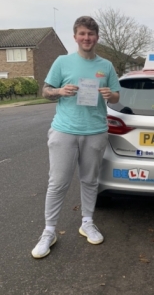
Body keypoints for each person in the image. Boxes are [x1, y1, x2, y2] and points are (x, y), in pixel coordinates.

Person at [31, 16, 120, 259]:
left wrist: (109, 94)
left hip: (95, 132)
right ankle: (49, 231)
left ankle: (87, 222)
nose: (87, 38)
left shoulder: (107, 66)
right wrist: (59, 91)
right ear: (75, 37)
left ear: (97, 37)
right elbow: (46, 91)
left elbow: (117, 98)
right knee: (57, 183)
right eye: (82, 34)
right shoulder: (62, 62)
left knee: (90, 181)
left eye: (91, 34)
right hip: (64, 131)